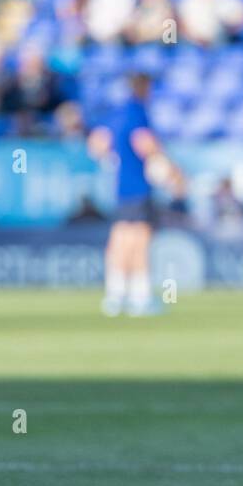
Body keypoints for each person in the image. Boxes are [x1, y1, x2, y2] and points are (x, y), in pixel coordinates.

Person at [89, 72, 167, 316]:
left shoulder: (115, 113)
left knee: (120, 239)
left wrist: (112, 159)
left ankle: (115, 294)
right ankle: (140, 296)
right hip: (138, 185)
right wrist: (164, 164)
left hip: (120, 187)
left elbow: (96, 144)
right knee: (139, 239)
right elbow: (144, 143)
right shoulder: (136, 112)